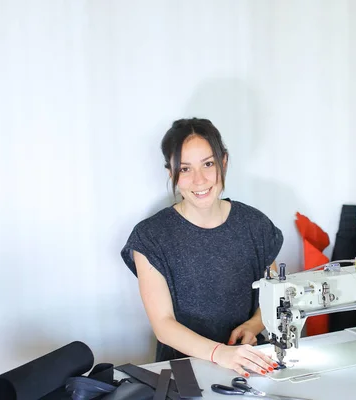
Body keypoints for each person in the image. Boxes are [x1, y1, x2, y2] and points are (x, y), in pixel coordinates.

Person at [120, 117, 284, 377]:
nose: (199, 180)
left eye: (208, 164)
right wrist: (219, 353)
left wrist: (254, 325)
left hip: (249, 361)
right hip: (184, 370)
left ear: (224, 162)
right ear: (171, 173)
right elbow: (163, 324)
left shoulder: (255, 225)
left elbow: (274, 295)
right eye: (185, 169)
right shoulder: (151, 237)